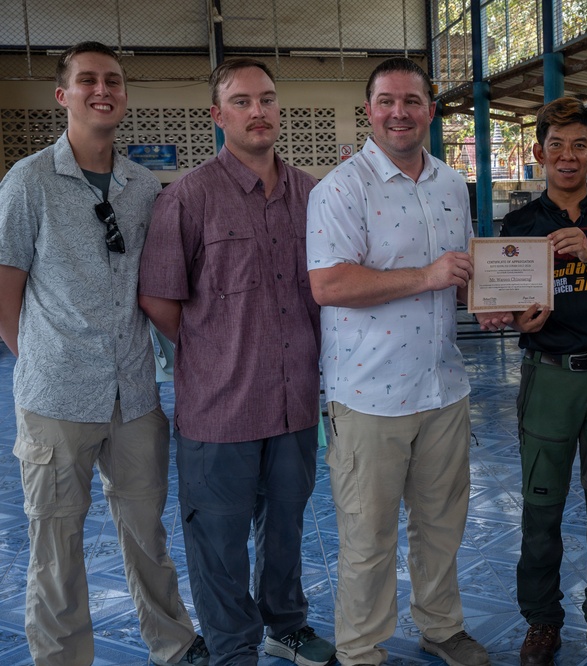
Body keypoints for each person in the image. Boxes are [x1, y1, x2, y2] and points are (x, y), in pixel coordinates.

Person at [0, 41, 208, 666]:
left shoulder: (143, 186)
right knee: (56, 541)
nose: (102, 90)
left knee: (147, 531)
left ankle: (172, 641)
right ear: (62, 95)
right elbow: (4, 294)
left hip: (137, 396)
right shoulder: (28, 182)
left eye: (113, 80)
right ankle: (63, 657)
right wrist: (41, 360)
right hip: (57, 398)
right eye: (87, 80)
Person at [138, 58, 335, 666]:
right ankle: (231, 647)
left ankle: (285, 623)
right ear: (218, 115)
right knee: (218, 539)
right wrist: (217, 350)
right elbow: (158, 297)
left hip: (295, 401)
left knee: (285, 530)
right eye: (243, 101)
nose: (259, 112)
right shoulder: (189, 197)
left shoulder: (313, 194)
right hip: (220, 407)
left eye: (268, 100)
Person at [305, 58, 489, 666]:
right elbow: (329, 284)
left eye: (412, 100)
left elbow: (460, 273)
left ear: (431, 110)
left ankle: (441, 626)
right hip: (369, 396)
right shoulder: (340, 188)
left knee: (441, 526)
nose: (399, 112)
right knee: (368, 537)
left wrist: (488, 304)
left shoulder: (450, 184)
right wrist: (428, 276)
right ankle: (360, 649)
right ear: (369, 110)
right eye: (387, 101)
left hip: (442, 386)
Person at [476, 97, 587, 666]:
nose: (567, 156)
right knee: (541, 504)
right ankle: (542, 621)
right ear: (538, 154)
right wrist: (518, 321)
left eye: (579, 145)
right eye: (556, 145)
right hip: (549, 374)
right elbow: (508, 306)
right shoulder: (522, 224)